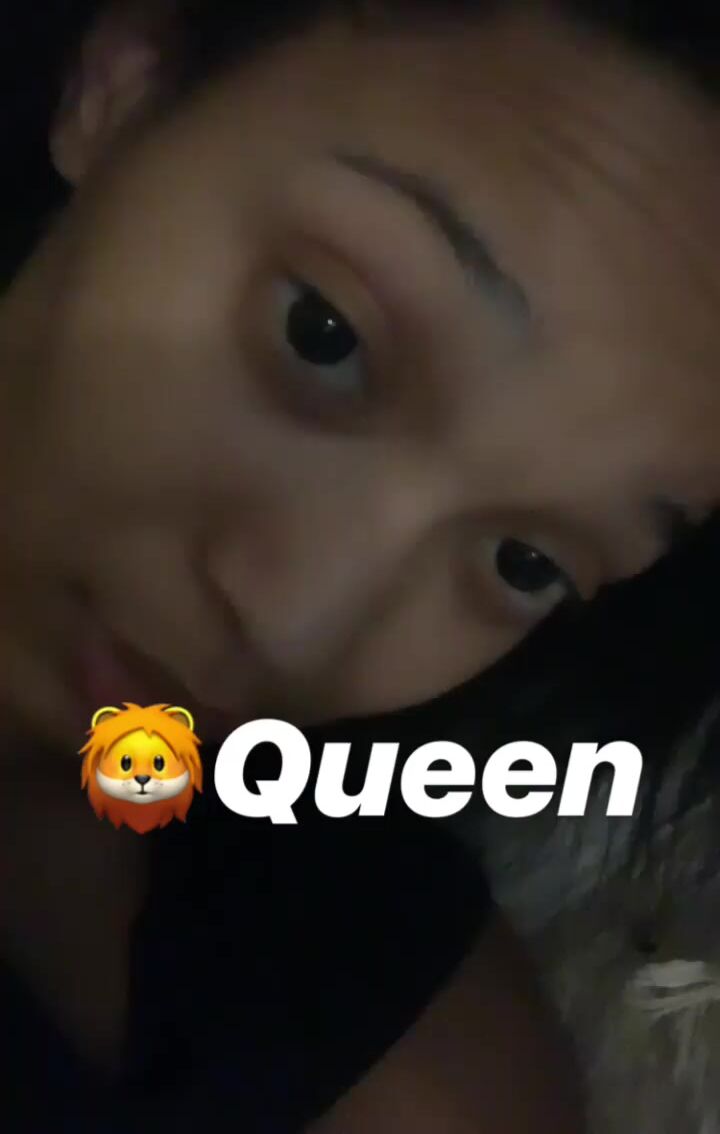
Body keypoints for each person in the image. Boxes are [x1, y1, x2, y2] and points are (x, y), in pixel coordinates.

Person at [1, 1, 719, 1130]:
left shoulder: (399, 1055)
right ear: (125, 85)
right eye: (322, 334)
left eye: (525, 560)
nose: (296, 624)